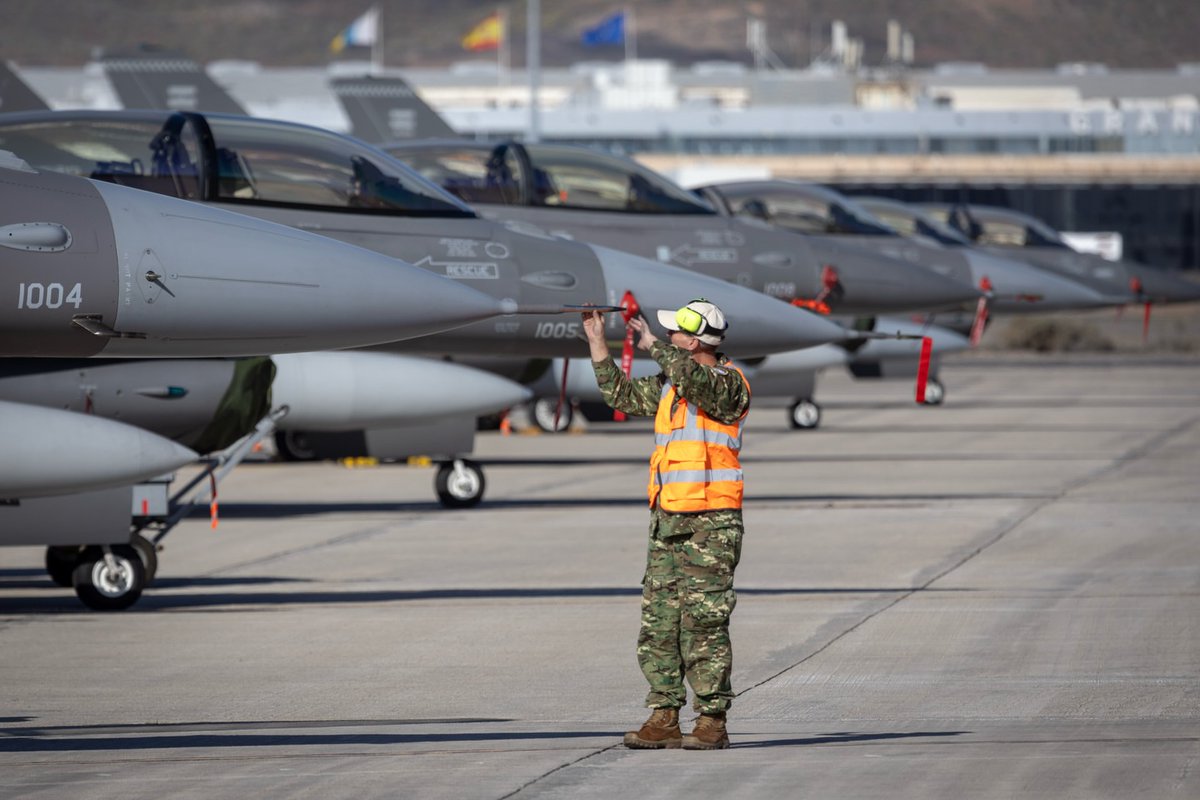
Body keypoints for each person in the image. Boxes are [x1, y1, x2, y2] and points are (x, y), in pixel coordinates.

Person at [581, 299, 751, 751]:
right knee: (659, 623)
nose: (669, 336)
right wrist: (598, 343)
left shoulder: (728, 384)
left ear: (693, 341)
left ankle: (712, 721)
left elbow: (695, 379)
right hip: (668, 521)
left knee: (704, 624)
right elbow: (619, 395)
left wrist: (653, 344)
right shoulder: (670, 384)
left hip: (711, 525)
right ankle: (664, 717)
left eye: (676, 333)